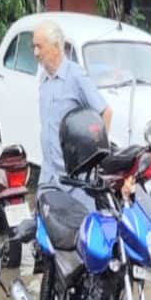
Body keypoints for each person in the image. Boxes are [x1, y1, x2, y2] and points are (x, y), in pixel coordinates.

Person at [35, 20, 112, 206]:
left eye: (39, 46)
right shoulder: (43, 80)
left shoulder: (76, 76)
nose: (35, 53)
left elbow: (106, 112)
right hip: (48, 178)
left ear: (55, 47)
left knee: (79, 231)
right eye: (34, 47)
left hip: (74, 184)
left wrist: (92, 160)